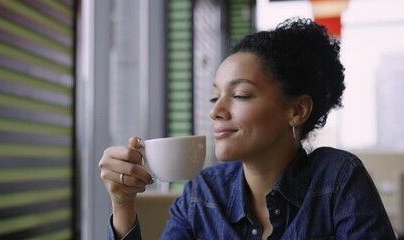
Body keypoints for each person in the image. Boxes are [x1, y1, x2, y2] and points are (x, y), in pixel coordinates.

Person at [99, 17, 397, 239]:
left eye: (240, 95)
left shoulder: (338, 180)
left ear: (296, 110)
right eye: (215, 97)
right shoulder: (202, 194)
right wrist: (123, 204)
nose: (215, 111)